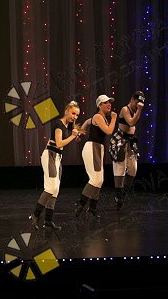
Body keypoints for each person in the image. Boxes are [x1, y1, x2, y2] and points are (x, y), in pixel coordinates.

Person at [29, 101, 81, 230]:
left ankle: (48, 220)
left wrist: (76, 135)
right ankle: (35, 215)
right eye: (73, 113)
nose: (75, 117)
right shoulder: (58, 124)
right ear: (66, 111)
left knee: (55, 189)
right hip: (50, 155)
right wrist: (73, 136)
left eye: (77, 115)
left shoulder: (67, 126)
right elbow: (59, 143)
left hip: (57, 157)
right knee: (50, 187)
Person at [75, 94, 117, 219]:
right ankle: (80, 205)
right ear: (99, 105)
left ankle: (92, 208)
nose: (109, 104)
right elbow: (109, 131)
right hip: (93, 147)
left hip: (98, 148)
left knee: (99, 180)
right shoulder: (98, 116)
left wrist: (79, 134)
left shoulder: (99, 117)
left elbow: (87, 122)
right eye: (106, 102)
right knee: (95, 180)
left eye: (110, 102)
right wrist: (114, 118)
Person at [110, 90, 145, 209]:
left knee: (133, 169)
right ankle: (118, 196)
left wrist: (138, 110)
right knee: (120, 168)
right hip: (120, 140)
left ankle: (123, 193)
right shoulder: (125, 109)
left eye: (140, 103)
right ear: (132, 100)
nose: (138, 105)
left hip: (130, 142)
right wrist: (139, 110)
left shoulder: (135, 110)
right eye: (137, 102)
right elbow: (130, 123)